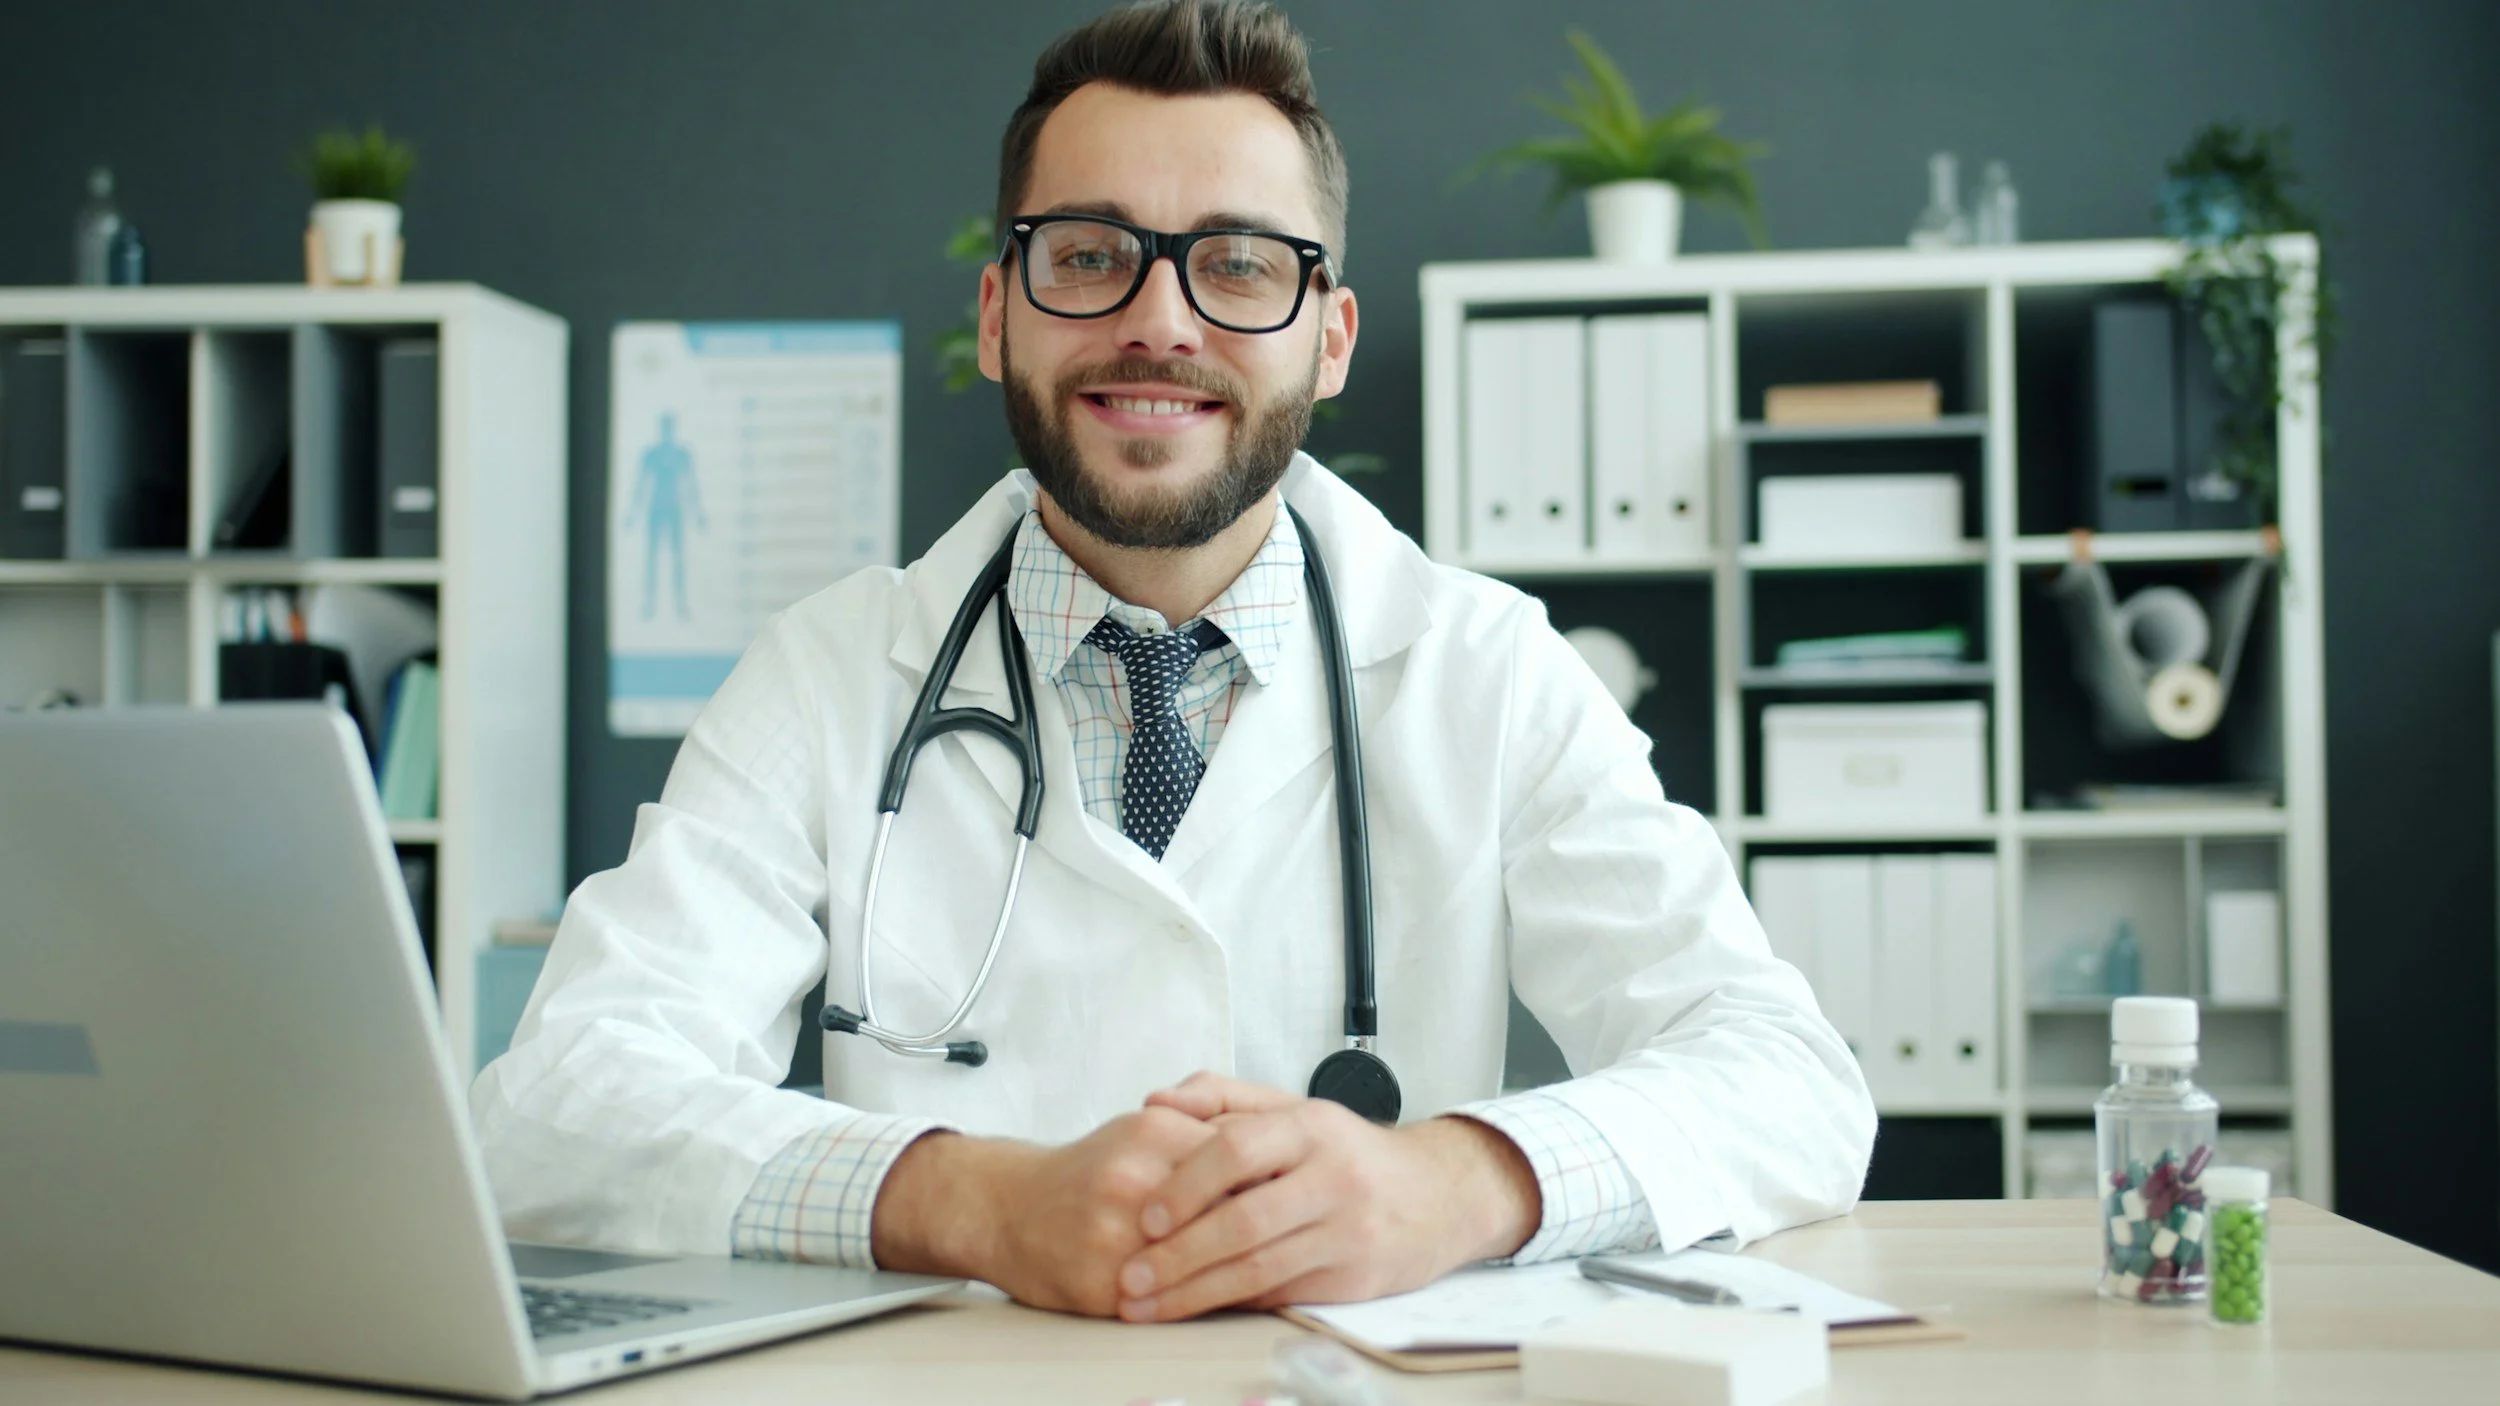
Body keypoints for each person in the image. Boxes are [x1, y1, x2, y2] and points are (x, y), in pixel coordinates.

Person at [473, 0, 1873, 1325]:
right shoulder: (832, 674)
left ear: (1328, 341)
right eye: (1088, 253)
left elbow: (1788, 1079)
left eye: (1241, 263)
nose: (1162, 321)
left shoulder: (1483, 667)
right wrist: (963, 1196)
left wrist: (1455, 1181)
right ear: (996, 312)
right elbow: (556, 1103)